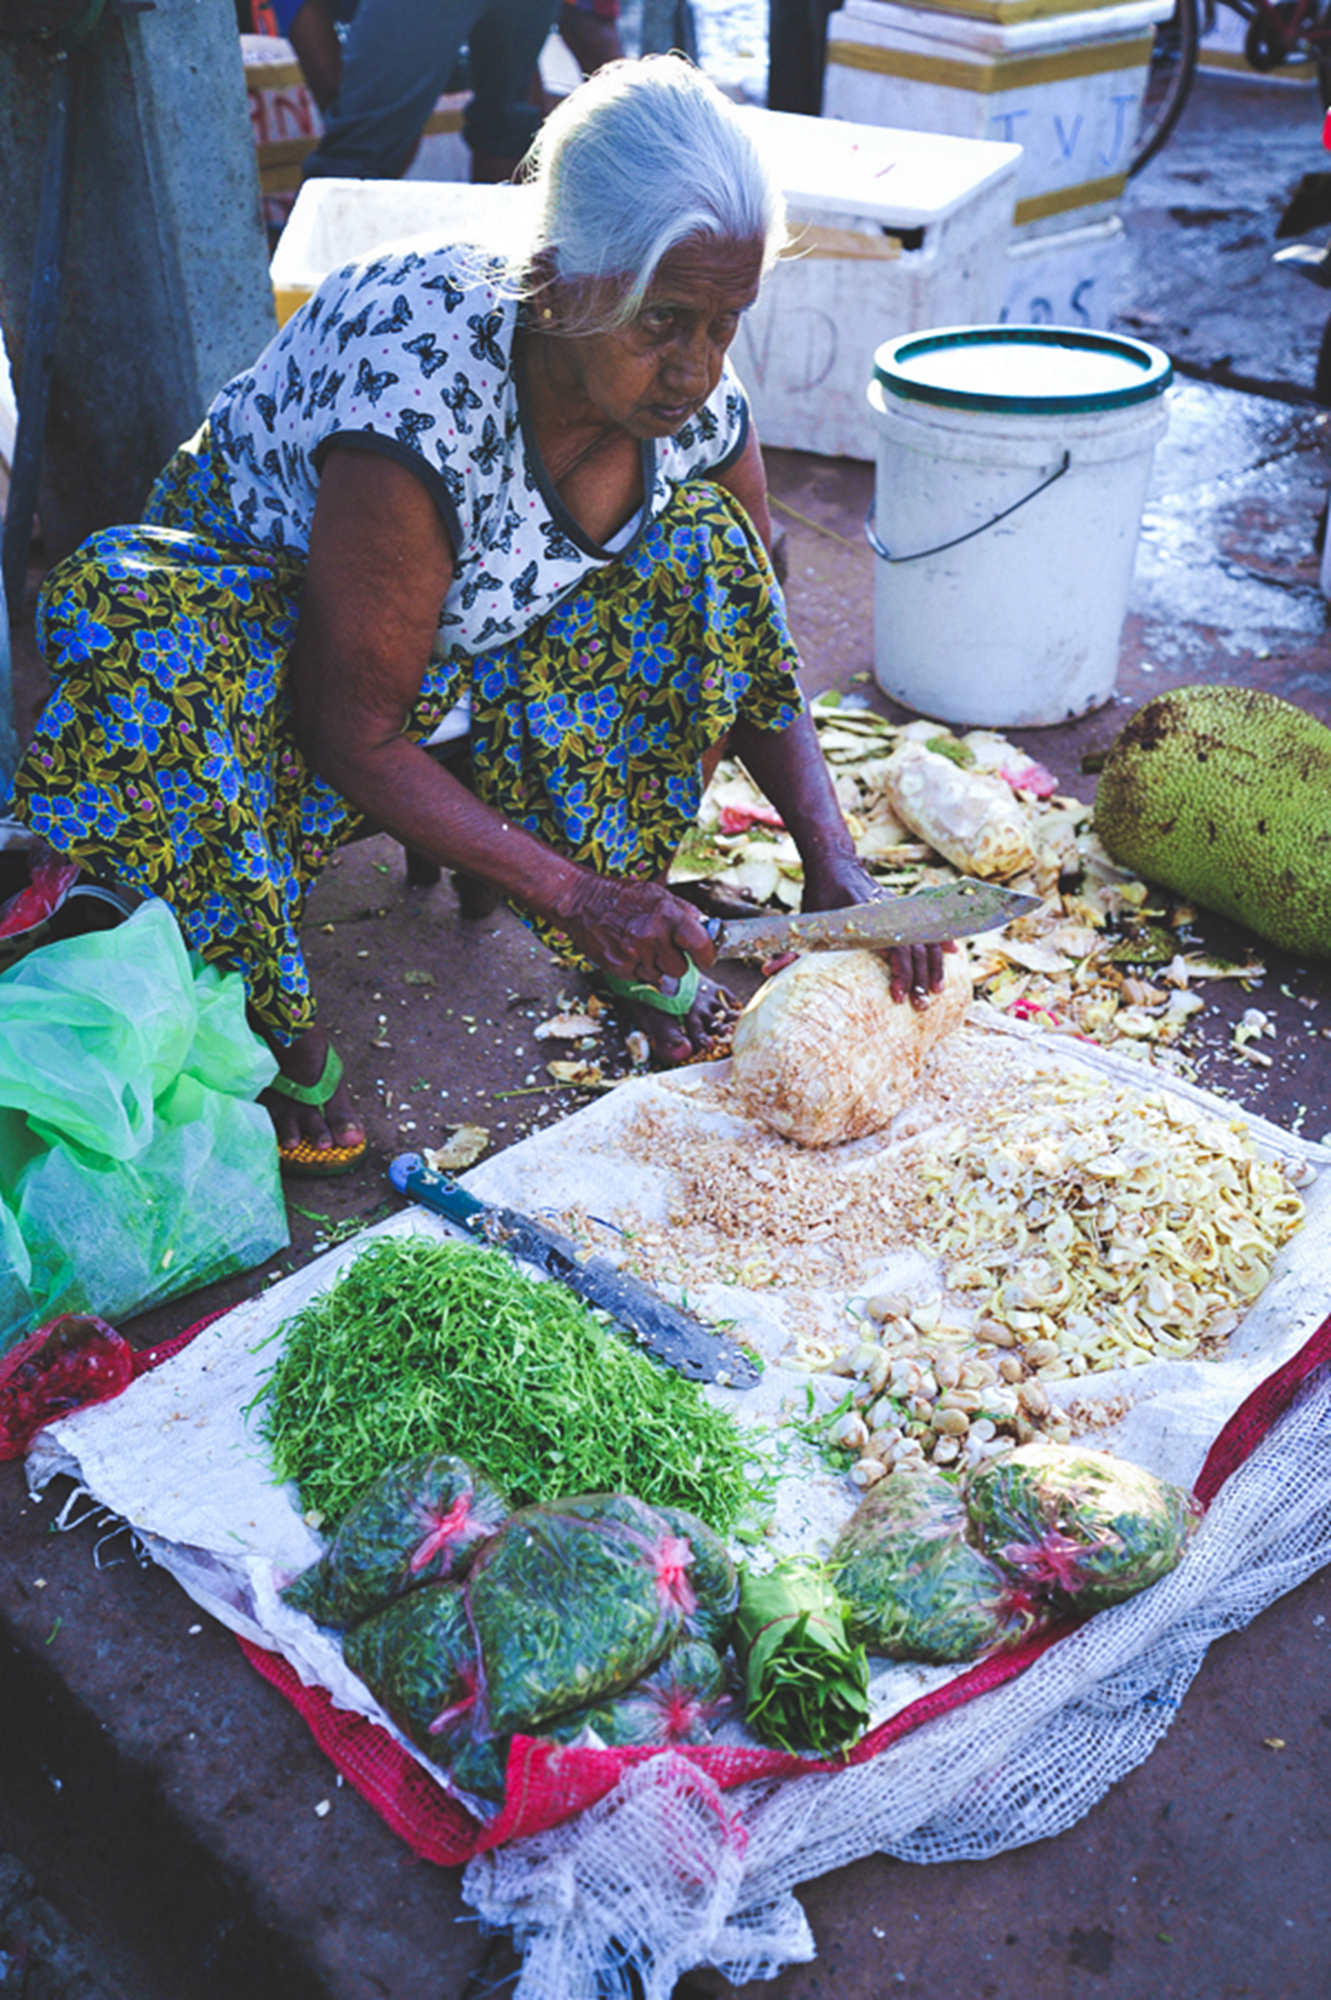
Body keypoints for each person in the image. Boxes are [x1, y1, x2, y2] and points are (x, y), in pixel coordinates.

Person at [7, 56, 944, 1176]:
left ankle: (610, 921)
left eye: (724, 323)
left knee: (713, 555)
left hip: (471, 628)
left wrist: (830, 859)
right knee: (162, 647)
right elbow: (346, 725)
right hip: (274, 630)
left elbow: (754, 640)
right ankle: (281, 1017)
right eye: (665, 323)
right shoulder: (418, 406)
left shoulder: (692, 403)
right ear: (556, 286)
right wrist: (574, 892)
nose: (696, 368)